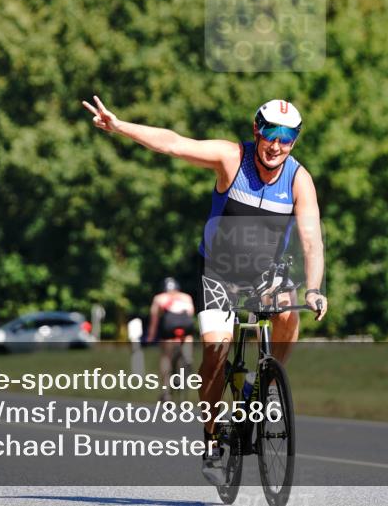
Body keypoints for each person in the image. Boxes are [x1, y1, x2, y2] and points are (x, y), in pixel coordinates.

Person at [82, 95, 328, 485]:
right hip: (219, 272)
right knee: (215, 350)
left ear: (295, 142)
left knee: (289, 310)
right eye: (270, 135)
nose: (276, 146)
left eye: (287, 138)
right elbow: (174, 143)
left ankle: (270, 384)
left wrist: (314, 289)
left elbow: (311, 239)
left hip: (266, 275)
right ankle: (212, 440)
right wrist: (119, 126)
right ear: (256, 131)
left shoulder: (299, 179)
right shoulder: (231, 158)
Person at [146, 277, 196, 401]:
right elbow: (190, 316)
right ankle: (188, 360)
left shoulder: (159, 298)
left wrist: (150, 337)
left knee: (165, 358)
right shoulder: (186, 297)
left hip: (169, 331)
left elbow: (154, 321)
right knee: (188, 341)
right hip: (185, 330)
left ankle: (166, 391)